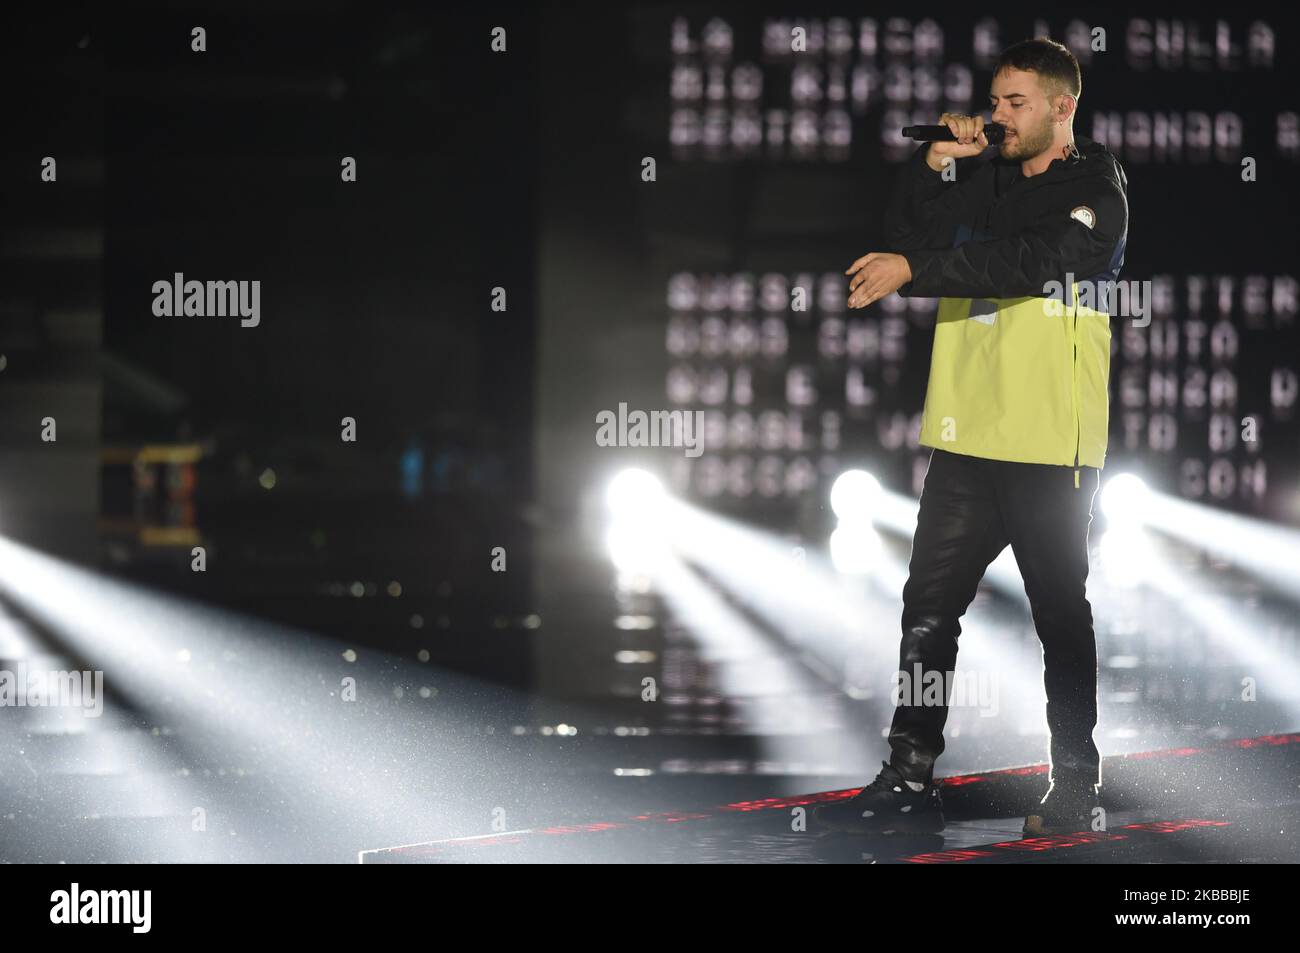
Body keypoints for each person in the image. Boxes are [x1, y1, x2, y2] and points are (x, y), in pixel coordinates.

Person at [815, 36, 1128, 837]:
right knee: (927, 608)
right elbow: (906, 237)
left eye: (1015, 103)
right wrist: (936, 168)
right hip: (967, 435)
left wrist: (917, 270)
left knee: (1060, 613)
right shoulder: (979, 173)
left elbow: (1031, 260)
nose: (997, 116)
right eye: (994, 101)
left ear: (1064, 107)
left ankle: (1075, 783)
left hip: (1051, 440)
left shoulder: (1097, 186)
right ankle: (909, 770)